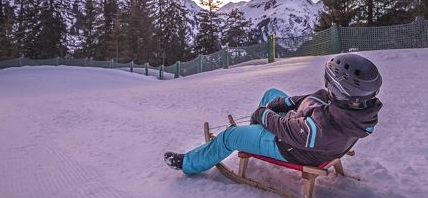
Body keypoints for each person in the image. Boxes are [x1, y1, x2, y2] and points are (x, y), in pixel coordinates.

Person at [164, 53, 383, 174]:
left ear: (338, 87)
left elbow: (284, 129)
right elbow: (313, 97)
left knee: (230, 136)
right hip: (300, 130)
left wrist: (263, 115)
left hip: (287, 146)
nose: (327, 85)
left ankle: (188, 164)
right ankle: (255, 131)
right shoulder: (353, 105)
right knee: (272, 93)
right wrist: (281, 103)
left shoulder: (324, 128)